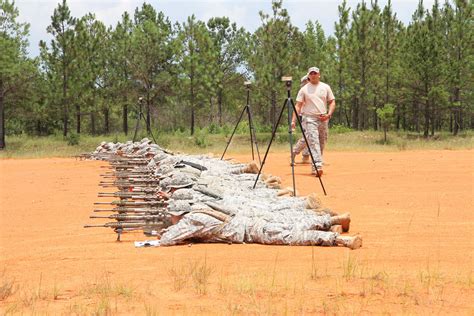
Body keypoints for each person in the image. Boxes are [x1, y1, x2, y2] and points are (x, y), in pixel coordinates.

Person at [135, 208, 362, 249]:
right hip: (251, 222)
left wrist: (161, 233)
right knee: (294, 225)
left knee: (291, 236)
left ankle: (340, 241)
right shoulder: (198, 212)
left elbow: (168, 240)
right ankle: (334, 220)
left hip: (251, 232)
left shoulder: (190, 221)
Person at [291, 67, 335, 175]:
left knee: (321, 141)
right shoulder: (304, 89)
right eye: (311, 73)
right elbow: (298, 105)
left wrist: (329, 115)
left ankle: (297, 152)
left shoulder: (325, 87)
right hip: (309, 118)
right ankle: (317, 166)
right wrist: (293, 121)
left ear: (319, 74)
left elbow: (332, 102)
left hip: (323, 118)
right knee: (313, 140)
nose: (313, 75)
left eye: (315, 73)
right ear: (308, 75)